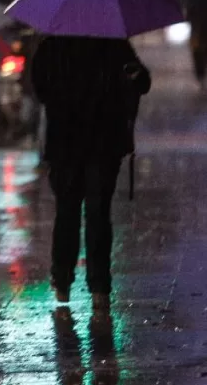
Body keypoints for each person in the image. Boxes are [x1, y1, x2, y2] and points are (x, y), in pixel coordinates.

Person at [32, 36, 151, 311]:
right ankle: (99, 287)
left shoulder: (53, 45)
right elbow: (141, 82)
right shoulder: (113, 43)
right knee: (98, 214)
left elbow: (39, 90)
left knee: (67, 212)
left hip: (66, 143)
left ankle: (62, 282)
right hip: (103, 141)